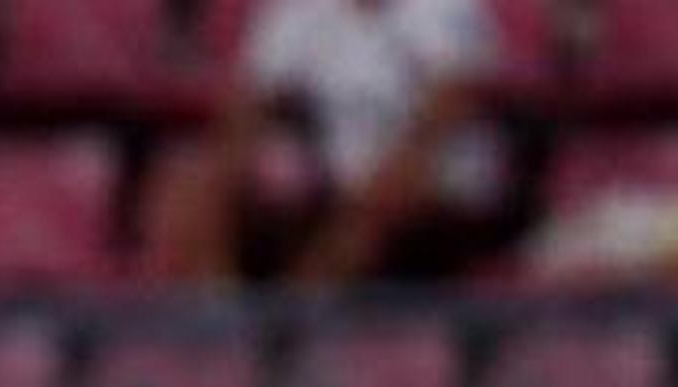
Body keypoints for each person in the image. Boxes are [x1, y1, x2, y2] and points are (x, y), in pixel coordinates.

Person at [147, 0, 510, 287]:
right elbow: (253, 105)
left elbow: (441, 117)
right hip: (334, 173)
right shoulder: (300, 9)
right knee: (197, 184)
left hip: (442, 176)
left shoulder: (445, 9)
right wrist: (231, 167)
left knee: (374, 207)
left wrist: (372, 183)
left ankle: (305, 326)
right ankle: (221, 320)